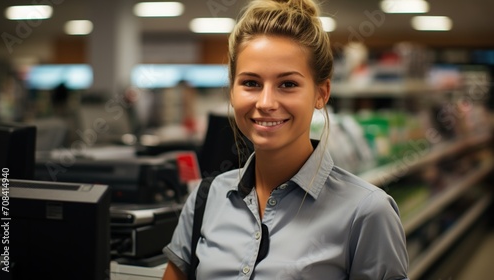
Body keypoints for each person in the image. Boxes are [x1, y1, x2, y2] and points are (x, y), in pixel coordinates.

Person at [162, 0, 409, 279]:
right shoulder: (207, 198)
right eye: (251, 83)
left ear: (321, 93)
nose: (266, 102)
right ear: (231, 89)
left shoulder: (367, 212)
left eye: (288, 84)